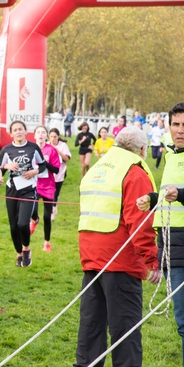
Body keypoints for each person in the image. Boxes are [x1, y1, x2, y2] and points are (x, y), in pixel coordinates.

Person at [75, 126, 161, 367]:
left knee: (91, 329)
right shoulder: (134, 171)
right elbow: (140, 221)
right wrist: (151, 259)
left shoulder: (97, 168)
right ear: (143, 150)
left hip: (91, 259)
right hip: (120, 262)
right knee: (126, 332)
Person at [136, 102, 184, 365]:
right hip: (172, 247)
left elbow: (180, 193)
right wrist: (153, 198)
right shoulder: (170, 156)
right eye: (176, 124)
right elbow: (170, 193)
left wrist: (182, 195)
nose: (180, 130)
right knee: (182, 321)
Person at [0, 120, 46, 267]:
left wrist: (35, 171)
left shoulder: (33, 147)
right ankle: (18, 253)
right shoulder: (6, 150)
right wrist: (6, 165)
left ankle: (26, 249)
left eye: (21, 129)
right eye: (15, 130)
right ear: (11, 133)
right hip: (12, 189)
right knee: (13, 226)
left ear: (26, 131)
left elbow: (43, 165)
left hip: (29, 189)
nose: (18, 132)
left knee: (22, 223)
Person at [30, 126, 60, 252]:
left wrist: (44, 163)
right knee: (32, 209)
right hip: (34, 184)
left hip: (48, 186)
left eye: (43, 132)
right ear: (34, 135)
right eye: (38, 132)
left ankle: (46, 242)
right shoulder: (30, 149)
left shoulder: (51, 150)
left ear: (46, 136)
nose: (41, 134)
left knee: (48, 216)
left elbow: (56, 170)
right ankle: (35, 219)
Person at [48, 128, 71, 221]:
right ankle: (51, 210)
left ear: (58, 137)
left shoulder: (63, 145)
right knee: (49, 193)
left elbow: (67, 159)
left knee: (55, 193)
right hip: (48, 173)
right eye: (51, 137)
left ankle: (54, 209)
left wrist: (58, 152)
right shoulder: (46, 145)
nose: (53, 139)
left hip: (60, 173)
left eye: (55, 137)